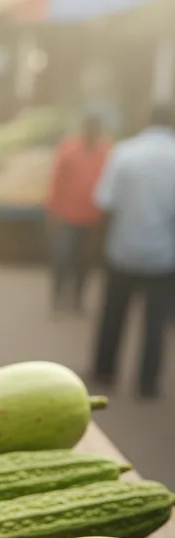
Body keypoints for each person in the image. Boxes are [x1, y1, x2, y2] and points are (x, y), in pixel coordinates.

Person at [92, 101, 175, 397]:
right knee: (155, 322)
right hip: (163, 255)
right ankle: (147, 382)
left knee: (113, 313)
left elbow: (105, 202)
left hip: (123, 250)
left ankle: (104, 371)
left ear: (145, 118)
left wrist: (100, 243)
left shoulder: (124, 152)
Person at [46, 113, 110, 313]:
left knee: (85, 262)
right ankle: (57, 299)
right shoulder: (69, 149)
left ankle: (77, 300)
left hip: (92, 217)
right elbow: (56, 180)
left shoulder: (106, 151)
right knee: (62, 258)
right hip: (67, 215)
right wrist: (52, 210)